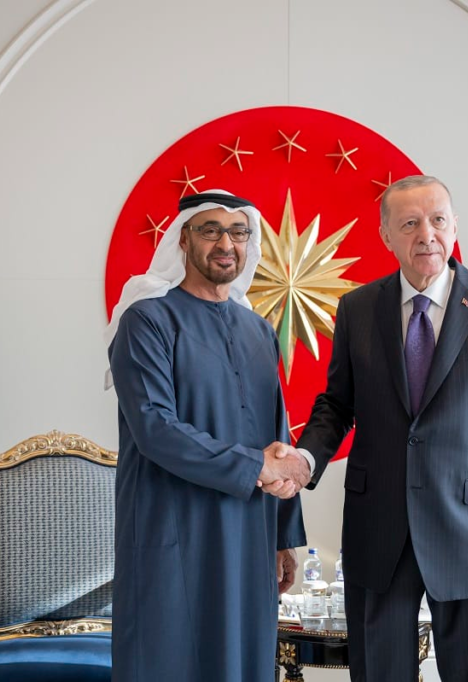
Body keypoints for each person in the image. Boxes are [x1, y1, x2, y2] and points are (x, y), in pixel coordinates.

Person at [285, 175, 468, 681]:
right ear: (386, 235)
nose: (427, 234)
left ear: (454, 226)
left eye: (438, 220)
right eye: (409, 224)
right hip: (379, 527)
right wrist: (305, 459)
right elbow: (337, 404)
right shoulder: (358, 308)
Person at [106, 190, 311, 681]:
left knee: (243, 660)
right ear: (183, 239)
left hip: (250, 533)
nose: (226, 244)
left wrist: (284, 537)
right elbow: (155, 428)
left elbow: (277, 433)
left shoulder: (258, 330)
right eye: (211, 230)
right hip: (172, 526)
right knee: (169, 657)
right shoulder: (146, 320)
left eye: (238, 232)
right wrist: (257, 465)